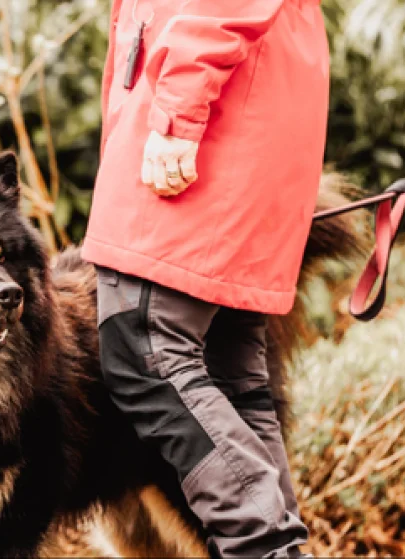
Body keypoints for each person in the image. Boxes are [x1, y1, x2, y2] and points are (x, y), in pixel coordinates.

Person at [81, 0, 329, 557]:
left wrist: (176, 115)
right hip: (242, 123)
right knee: (230, 376)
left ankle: (265, 549)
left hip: (211, 132)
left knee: (144, 350)